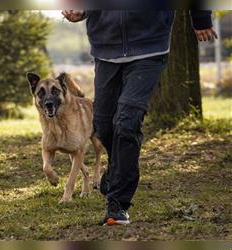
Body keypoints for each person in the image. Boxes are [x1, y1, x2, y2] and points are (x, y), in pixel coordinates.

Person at [62, 10, 217, 226]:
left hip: (149, 46)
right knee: (103, 127)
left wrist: (200, 18)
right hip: (106, 48)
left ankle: (117, 203)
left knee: (127, 122)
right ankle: (117, 169)